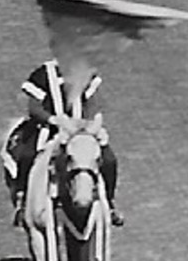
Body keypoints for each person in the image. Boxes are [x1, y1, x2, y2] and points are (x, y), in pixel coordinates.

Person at [7, 59, 123, 226]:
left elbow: (93, 103)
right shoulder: (43, 75)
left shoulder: (86, 73)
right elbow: (34, 107)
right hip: (50, 129)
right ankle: (23, 201)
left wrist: (90, 124)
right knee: (28, 156)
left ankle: (110, 204)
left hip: (80, 131)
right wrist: (55, 120)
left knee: (109, 159)